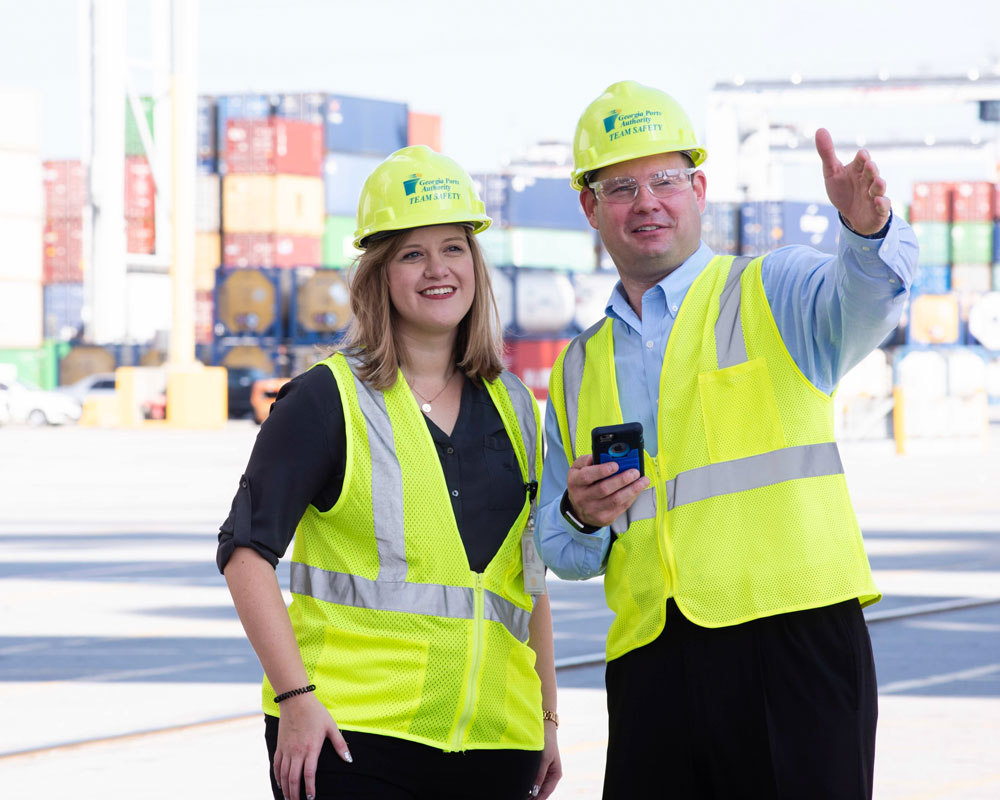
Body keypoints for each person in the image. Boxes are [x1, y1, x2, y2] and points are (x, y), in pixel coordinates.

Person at [536, 81, 919, 799]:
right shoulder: (577, 366)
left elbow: (869, 300)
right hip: (652, 663)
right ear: (590, 207)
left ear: (699, 188)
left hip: (792, 643)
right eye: (621, 187)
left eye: (665, 180)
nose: (647, 202)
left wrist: (868, 233)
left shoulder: (774, 289)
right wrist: (579, 516)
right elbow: (561, 550)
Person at [218, 145, 562, 800]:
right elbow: (244, 554)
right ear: (379, 272)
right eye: (412, 253)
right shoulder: (326, 400)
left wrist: (546, 718)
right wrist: (294, 698)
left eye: (454, 248)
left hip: (498, 741)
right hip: (355, 737)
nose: (438, 270)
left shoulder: (517, 405)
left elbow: (529, 584)